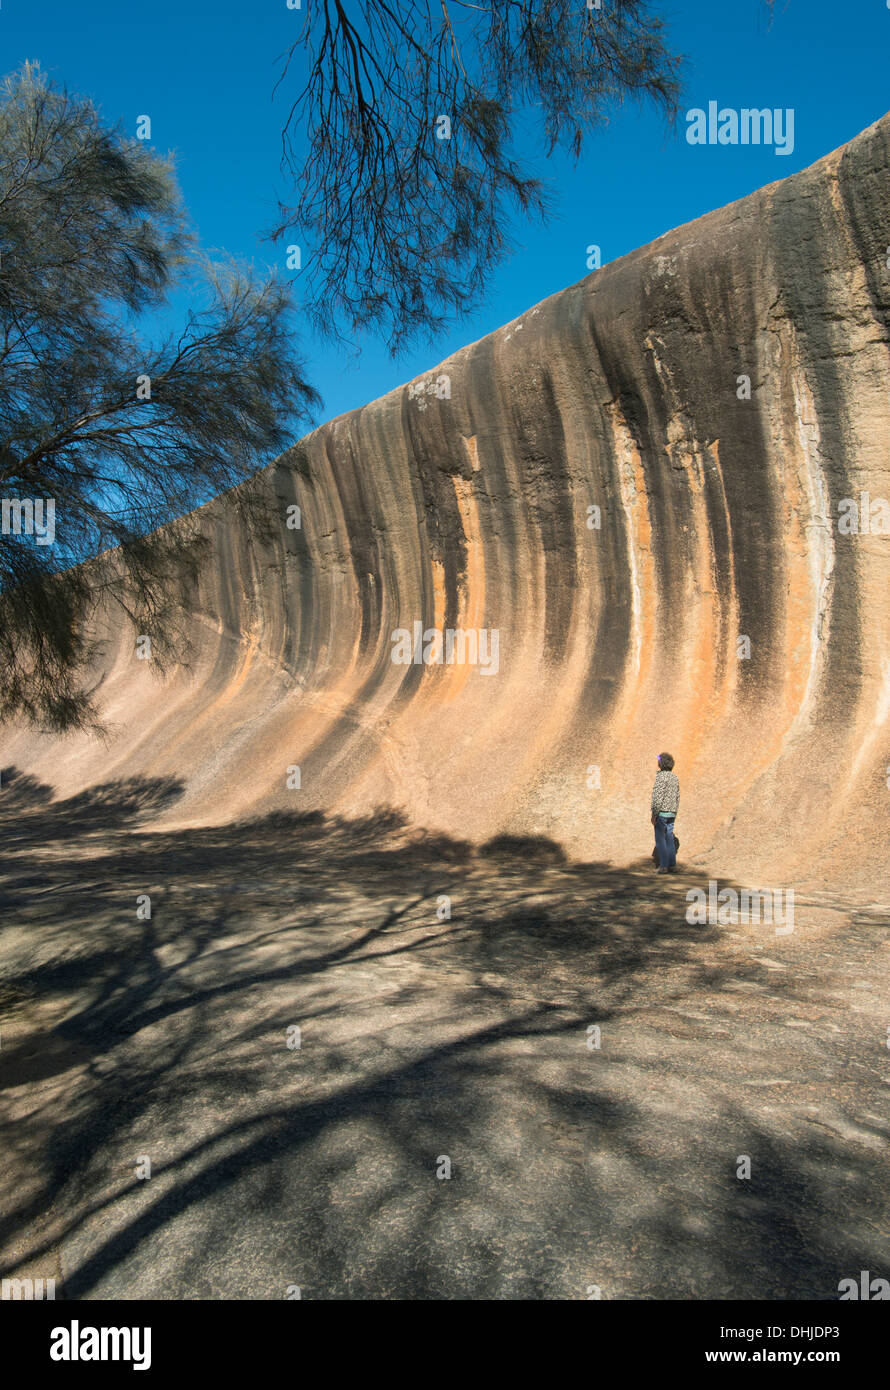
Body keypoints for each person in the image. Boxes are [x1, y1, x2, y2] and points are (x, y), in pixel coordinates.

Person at [651, 751, 679, 873]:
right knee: (669, 838)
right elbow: (677, 796)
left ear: (660, 763)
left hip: (661, 813)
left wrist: (654, 814)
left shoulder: (660, 777)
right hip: (672, 813)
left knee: (660, 839)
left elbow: (657, 796)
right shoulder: (674, 777)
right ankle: (672, 865)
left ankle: (663, 866)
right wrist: (675, 811)